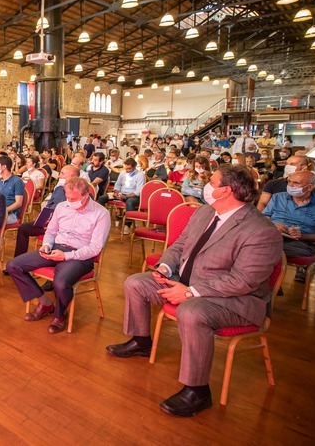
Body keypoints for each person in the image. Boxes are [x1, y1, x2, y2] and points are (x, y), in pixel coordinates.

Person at [106, 164, 282, 417]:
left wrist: (190, 292)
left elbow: (243, 281)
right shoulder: (204, 213)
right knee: (136, 282)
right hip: (184, 280)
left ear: (226, 191)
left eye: (212, 182)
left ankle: (198, 390)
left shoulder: (260, 230)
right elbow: (179, 244)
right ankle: (141, 341)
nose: (206, 186)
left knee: (191, 311)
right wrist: (166, 266)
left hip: (234, 300)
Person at [6, 177, 110, 334]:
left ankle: (60, 315)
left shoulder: (101, 213)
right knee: (13, 265)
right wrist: (46, 245)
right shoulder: (62, 206)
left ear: (86, 194)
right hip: (55, 248)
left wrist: (66, 256)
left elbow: (95, 248)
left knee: (60, 283)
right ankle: (45, 303)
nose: (69, 201)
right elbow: (51, 231)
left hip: (80, 256)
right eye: (68, 197)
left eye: (74, 198)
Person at [262, 171, 315, 279]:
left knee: (264, 248)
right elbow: (263, 218)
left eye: (296, 183)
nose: (291, 186)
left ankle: (269, 284)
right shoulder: (278, 197)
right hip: (273, 236)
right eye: (289, 182)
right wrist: (273, 225)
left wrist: (302, 236)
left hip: (301, 243)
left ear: (310, 187)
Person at [12, 165, 79, 258]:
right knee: (23, 228)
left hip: (63, 228)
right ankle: (18, 260)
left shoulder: (80, 194)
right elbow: (49, 205)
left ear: (72, 177)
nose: (59, 176)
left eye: (62, 174)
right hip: (48, 221)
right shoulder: (59, 188)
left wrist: (53, 225)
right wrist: (43, 219)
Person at [98, 158, 145, 234]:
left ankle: (127, 226)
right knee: (102, 198)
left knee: (129, 202)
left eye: (129, 169)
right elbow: (118, 184)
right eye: (126, 168)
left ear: (134, 167)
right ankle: (101, 220)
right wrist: (116, 192)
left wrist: (125, 196)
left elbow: (138, 191)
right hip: (121, 194)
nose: (127, 170)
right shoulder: (123, 173)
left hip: (133, 196)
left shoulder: (140, 175)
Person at [0, 156, 25, 225]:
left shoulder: (17, 181)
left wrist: (4, 210)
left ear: (4, 167)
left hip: (11, 214)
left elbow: (18, 203)